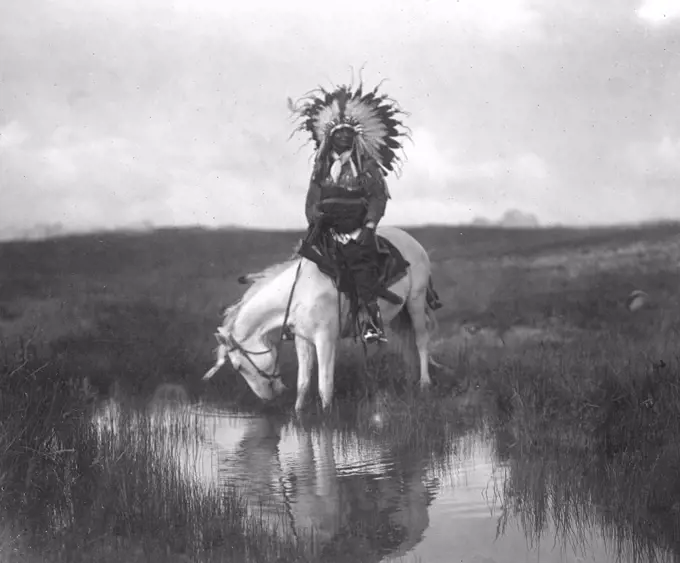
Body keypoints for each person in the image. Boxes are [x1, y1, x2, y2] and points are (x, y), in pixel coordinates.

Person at [289, 82, 408, 344]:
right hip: (327, 229)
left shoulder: (366, 166)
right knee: (303, 267)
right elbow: (312, 197)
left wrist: (369, 226)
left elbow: (378, 197)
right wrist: (314, 218)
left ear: (356, 137)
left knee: (362, 270)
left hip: (356, 230)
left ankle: (371, 322)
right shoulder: (321, 166)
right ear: (329, 137)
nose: (343, 137)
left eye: (348, 133)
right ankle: (296, 319)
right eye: (338, 133)